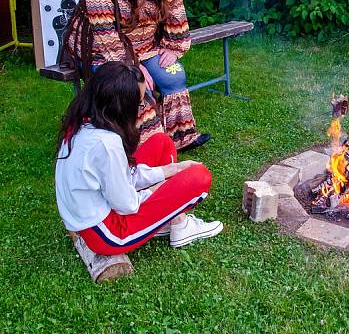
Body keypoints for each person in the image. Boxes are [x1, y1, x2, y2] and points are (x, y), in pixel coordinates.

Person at [63, 0, 210, 150]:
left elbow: (175, 10)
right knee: (136, 87)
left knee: (174, 77)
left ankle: (180, 137)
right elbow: (108, 42)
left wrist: (174, 46)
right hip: (100, 52)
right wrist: (136, 69)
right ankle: (148, 149)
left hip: (145, 46)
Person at [55, 62, 223, 254]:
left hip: (90, 214)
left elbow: (121, 176)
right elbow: (126, 204)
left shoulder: (83, 123)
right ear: (121, 106)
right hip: (108, 234)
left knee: (162, 143)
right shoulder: (106, 144)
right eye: (139, 102)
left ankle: (175, 221)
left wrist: (170, 170)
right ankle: (180, 225)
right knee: (200, 177)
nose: (141, 109)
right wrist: (160, 189)